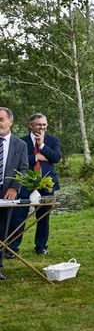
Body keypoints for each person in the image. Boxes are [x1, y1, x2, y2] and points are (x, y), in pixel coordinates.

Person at [6, 113, 61, 257]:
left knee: (43, 217)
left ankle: (41, 246)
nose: (42, 127)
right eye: (38, 124)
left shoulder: (52, 140)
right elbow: (18, 160)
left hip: (47, 184)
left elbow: (56, 158)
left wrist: (42, 145)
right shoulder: (20, 141)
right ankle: (12, 248)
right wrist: (36, 157)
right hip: (25, 183)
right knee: (19, 216)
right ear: (31, 125)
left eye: (44, 124)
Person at [0, 107, 29, 280]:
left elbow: (23, 168)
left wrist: (14, 187)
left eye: (1, 119)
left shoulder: (20, 145)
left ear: (11, 122)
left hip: (7, 193)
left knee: (3, 231)